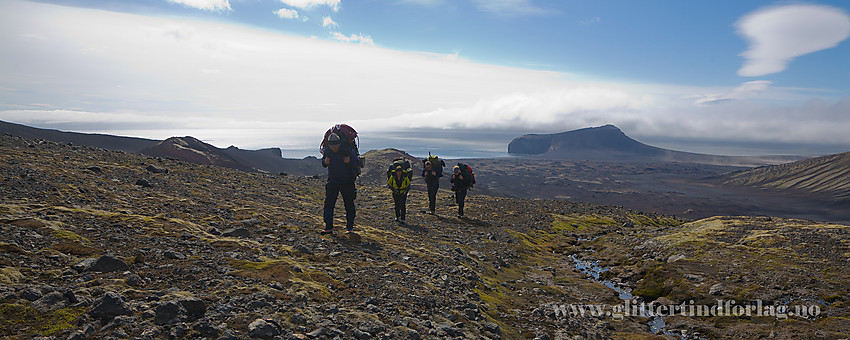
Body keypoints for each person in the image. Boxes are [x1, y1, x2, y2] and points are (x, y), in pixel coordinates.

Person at [320, 132, 360, 235]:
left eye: (335, 145)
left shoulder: (346, 150)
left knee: (349, 204)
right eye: (331, 146)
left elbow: (357, 163)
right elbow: (323, 163)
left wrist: (349, 162)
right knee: (329, 204)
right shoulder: (328, 151)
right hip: (333, 181)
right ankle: (328, 227)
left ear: (339, 143)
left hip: (347, 181)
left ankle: (349, 228)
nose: (334, 148)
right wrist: (325, 162)